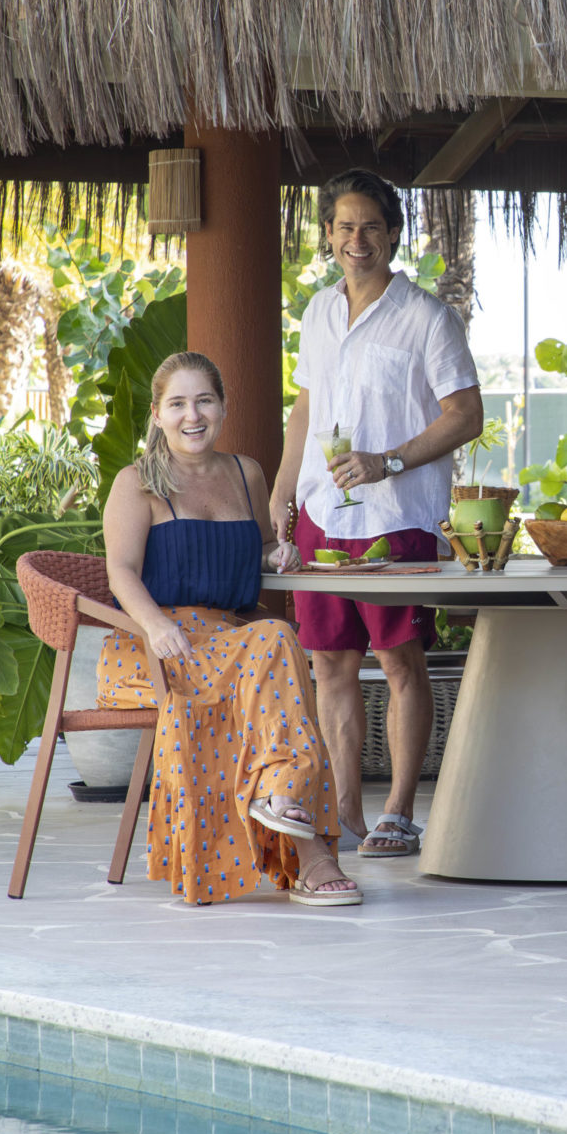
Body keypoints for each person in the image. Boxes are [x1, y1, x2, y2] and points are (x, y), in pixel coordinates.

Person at [269, 170, 483, 857]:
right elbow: (306, 405)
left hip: (397, 516)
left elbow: (466, 415)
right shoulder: (318, 312)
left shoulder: (428, 317)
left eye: (370, 227)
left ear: (392, 235)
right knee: (329, 665)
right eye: (343, 226)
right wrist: (282, 491)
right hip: (322, 514)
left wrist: (387, 461)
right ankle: (347, 812)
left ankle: (397, 813)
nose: (356, 240)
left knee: (400, 663)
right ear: (328, 235)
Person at [101, 351, 361, 909]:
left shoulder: (247, 473)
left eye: (204, 401)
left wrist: (279, 552)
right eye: (177, 404)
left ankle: (284, 801)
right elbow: (119, 570)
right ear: (157, 413)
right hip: (157, 643)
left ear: (222, 408)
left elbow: (259, 548)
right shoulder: (137, 482)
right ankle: (305, 840)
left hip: (233, 640)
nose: (191, 415)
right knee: (275, 638)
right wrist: (155, 625)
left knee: (271, 640)